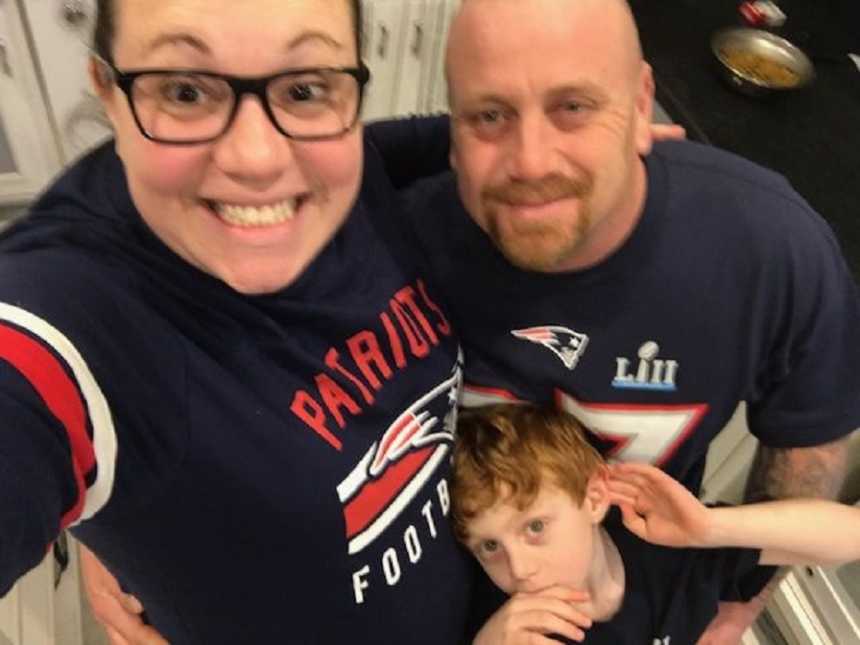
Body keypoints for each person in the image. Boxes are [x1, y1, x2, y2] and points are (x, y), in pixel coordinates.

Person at [0, 0, 481, 642]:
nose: (256, 157)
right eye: (185, 90)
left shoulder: (352, 170)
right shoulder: (77, 308)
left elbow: (467, 141)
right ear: (109, 94)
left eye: (305, 87)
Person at [398, 0, 859, 641]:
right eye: (489, 115)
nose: (531, 161)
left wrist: (738, 607)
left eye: (574, 108)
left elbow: (809, 455)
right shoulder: (392, 247)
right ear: (452, 132)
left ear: (642, 106)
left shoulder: (770, 250)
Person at [451, 403, 860, 645]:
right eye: (490, 547)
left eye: (535, 527)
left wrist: (710, 528)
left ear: (594, 498)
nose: (519, 570)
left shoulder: (663, 552)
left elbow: (850, 537)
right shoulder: (510, 631)